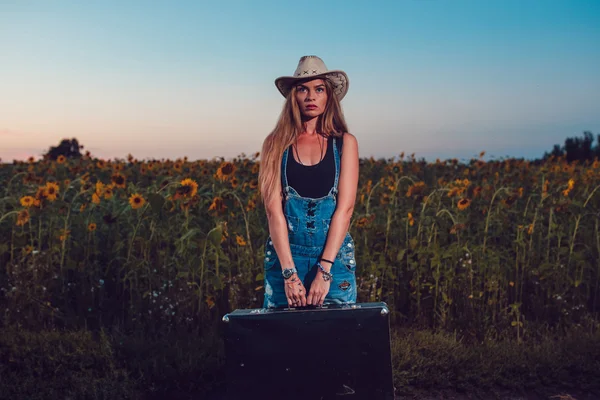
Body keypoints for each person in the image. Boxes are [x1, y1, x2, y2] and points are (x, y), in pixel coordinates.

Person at [258, 55, 359, 308]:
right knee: (282, 340)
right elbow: (273, 212)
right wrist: (290, 275)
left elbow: (345, 210)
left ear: (328, 96)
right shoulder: (275, 144)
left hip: (334, 259)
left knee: (337, 339)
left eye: (319, 89)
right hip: (286, 259)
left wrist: (325, 272)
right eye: (303, 89)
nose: (311, 97)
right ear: (294, 96)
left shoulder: (345, 143)